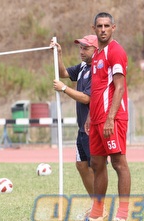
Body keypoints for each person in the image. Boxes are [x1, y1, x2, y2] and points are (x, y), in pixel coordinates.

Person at [51, 35, 107, 218]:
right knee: (81, 165)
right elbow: (64, 74)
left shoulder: (98, 69)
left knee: (97, 168)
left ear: (96, 49)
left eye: (86, 48)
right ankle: (96, 205)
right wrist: (58, 54)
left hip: (95, 127)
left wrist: (64, 89)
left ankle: (101, 208)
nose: (81, 52)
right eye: (80, 48)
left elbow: (87, 98)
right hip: (82, 128)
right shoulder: (83, 66)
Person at [85, 12, 130, 221]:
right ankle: (97, 212)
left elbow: (119, 86)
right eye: (99, 26)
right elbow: (97, 87)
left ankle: (122, 214)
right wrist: (90, 117)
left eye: (106, 26)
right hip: (96, 119)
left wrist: (110, 117)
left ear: (114, 27)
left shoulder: (116, 51)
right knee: (97, 163)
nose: (103, 29)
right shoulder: (96, 54)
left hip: (112, 117)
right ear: (94, 29)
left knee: (118, 162)